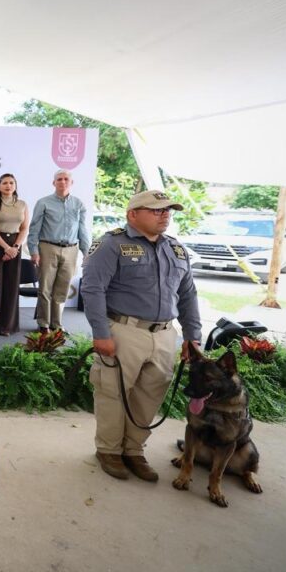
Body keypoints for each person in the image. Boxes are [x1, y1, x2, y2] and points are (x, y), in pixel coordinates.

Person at [80, 190, 201, 482]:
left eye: (168, 210)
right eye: (157, 210)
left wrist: (192, 335)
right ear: (132, 214)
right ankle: (109, 450)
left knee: (150, 395)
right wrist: (101, 333)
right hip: (124, 331)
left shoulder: (176, 248)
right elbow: (93, 289)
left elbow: (187, 294)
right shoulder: (111, 244)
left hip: (164, 335)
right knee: (113, 393)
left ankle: (133, 450)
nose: (165, 215)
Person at [26, 170, 90, 333]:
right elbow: (34, 228)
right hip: (48, 247)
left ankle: (57, 324)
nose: (63, 182)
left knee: (62, 289)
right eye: (59, 179)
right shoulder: (43, 203)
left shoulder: (78, 204)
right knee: (45, 288)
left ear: (71, 182)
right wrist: (33, 251)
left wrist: (86, 252)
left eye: (66, 179)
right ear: (54, 183)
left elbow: (82, 229)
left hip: (71, 250)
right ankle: (43, 324)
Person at [0, 173, 29, 335]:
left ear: (15, 186)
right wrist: (6, 248)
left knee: (11, 285)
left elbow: (24, 228)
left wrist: (15, 247)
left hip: (15, 245)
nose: (8, 186)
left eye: (11, 183)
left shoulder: (22, 204)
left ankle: (7, 326)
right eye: (4, 183)